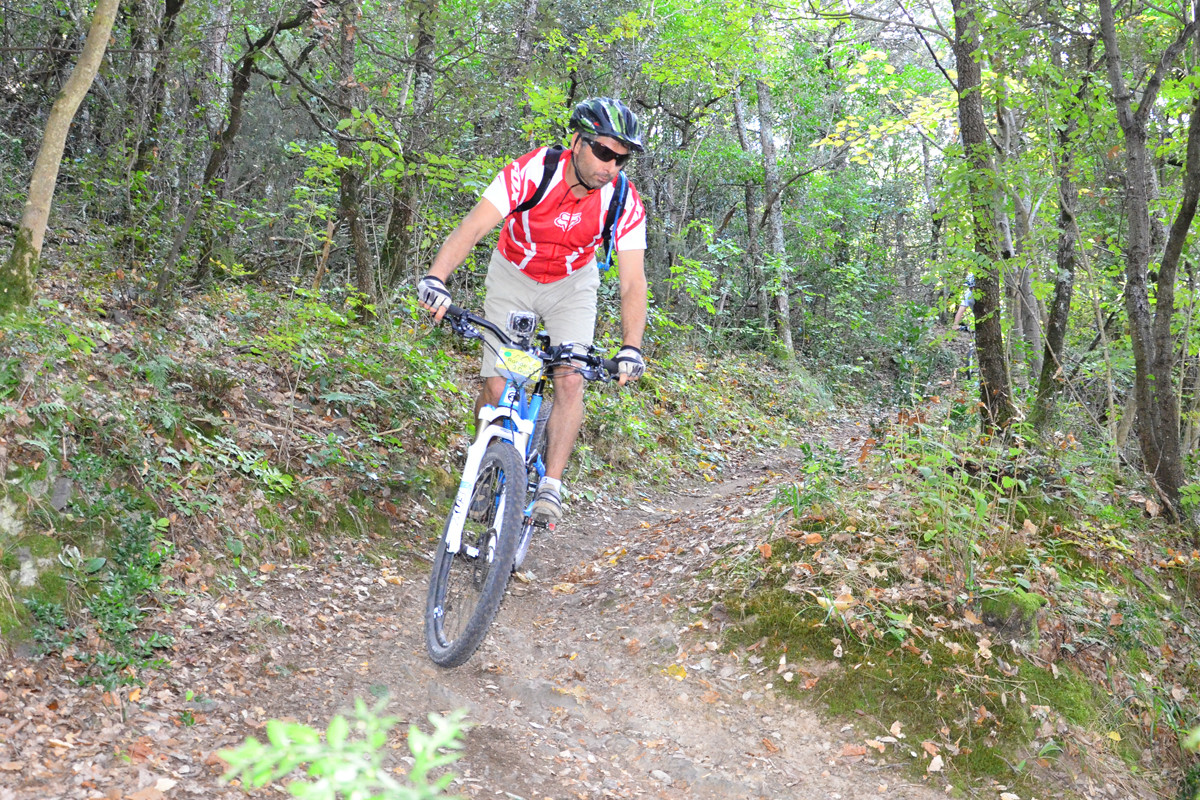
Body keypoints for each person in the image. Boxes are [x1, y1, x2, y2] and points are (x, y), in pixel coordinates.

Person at [416, 97, 649, 525]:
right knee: (497, 383)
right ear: (577, 142)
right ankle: (486, 463)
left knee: (571, 376)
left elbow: (633, 280)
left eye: (622, 158)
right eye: (603, 152)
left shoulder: (622, 198)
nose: (611, 165)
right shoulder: (533, 170)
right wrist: (436, 279)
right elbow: (474, 226)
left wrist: (631, 347)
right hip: (514, 276)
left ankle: (550, 487)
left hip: (572, 285)